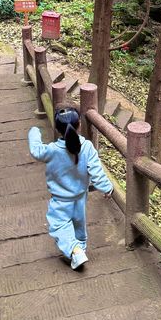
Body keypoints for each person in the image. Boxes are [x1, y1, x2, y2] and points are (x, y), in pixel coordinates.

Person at [28, 107, 113, 271]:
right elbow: (96, 172)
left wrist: (34, 132)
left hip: (60, 200)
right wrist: (107, 188)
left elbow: (35, 150)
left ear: (57, 129)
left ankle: (75, 252)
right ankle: (79, 249)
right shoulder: (87, 147)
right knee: (79, 226)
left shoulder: (52, 150)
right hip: (81, 198)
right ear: (79, 124)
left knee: (59, 226)